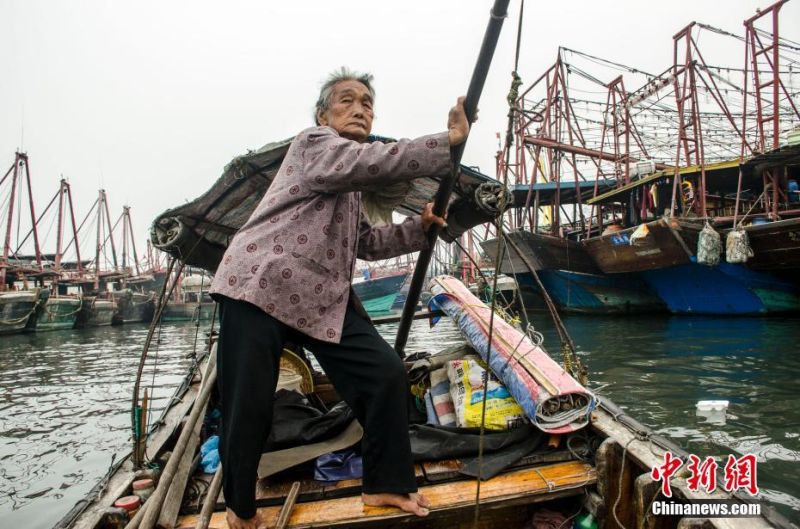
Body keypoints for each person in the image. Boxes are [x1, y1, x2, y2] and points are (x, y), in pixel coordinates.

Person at [209, 67, 470, 529]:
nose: (359, 109)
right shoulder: (315, 145)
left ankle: (385, 483)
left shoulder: (350, 189)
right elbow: (371, 162)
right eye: (346, 101)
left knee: (385, 373)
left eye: (367, 103)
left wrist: (419, 227)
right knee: (249, 402)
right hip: (260, 283)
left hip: (320, 298)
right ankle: (240, 507)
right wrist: (445, 143)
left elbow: (366, 242)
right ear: (322, 116)